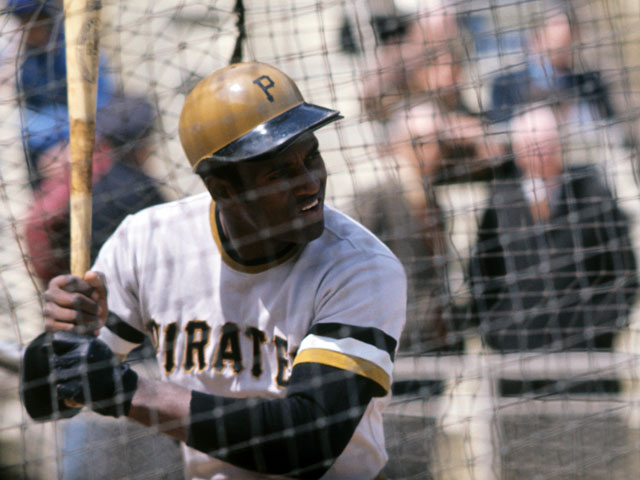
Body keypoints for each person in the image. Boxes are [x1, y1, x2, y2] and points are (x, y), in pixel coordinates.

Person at [21, 61, 407, 479]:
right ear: (222, 187)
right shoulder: (147, 241)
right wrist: (61, 338)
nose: (310, 182)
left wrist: (127, 391)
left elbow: (308, 442)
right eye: (281, 171)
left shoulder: (360, 266)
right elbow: (47, 402)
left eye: (311, 157)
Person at [467, 105, 638, 393]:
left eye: (547, 144)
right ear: (518, 149)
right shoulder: (500, 201)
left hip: (587, 366)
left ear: (563, 145)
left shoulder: (592, 192)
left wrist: (601, 331)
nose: (541, 153)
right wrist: (500, 334)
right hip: (518, 368)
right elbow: (480, 276)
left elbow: (624, 272)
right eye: (532, 145)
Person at [23, 95, 167, 286]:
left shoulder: (86, 164)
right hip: (114, 287)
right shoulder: (134, 187)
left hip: (78, 284)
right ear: (142, 141)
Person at [8, 0, 116, 189]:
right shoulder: (28, 57)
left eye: (34, 20)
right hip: (46, 151)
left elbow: (101, 107)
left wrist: (64, 142)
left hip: (90, 141)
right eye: (23, 21)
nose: (28, 28)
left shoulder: (76, 45)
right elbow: (26, 116)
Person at [488, 8, 616, 128]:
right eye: (556, 37)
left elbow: (611, 127)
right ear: (539, 36)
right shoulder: (505, 84)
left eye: (569, 39)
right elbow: (501, 134)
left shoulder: (591, 84)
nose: (564, 46)